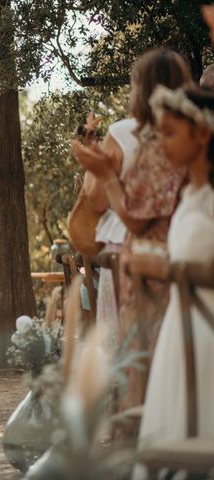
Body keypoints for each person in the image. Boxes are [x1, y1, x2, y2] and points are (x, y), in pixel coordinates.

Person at [71, 48, 191, 415]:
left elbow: (99, 201)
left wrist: (98, 170)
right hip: (183, 246)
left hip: (131, 250)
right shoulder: (193, 135)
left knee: (125, 343)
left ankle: (130, 420)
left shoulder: (126, 132)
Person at [133, 85, 214, 479]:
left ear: (202, 133)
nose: (161, 143)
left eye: (170, 133)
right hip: (180, 333)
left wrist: (166, 269)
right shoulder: (190, 194)